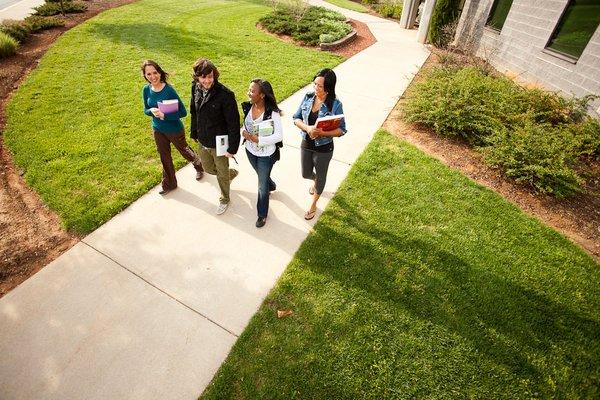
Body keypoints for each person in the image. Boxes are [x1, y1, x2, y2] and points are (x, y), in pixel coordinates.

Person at [141, 60, 204, 195]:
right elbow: (145, 109)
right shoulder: (146, 90)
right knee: (164, 157)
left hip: (174, 129)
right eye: (149, 74)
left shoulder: (169, 90)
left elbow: (182, 112)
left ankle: (199, 165)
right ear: (145, 75)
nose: (153, 77)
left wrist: (165, 115)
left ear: (160, 72)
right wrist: (151, 111)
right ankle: (170, 183)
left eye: (155, 73)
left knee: (185, 151)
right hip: (157, 129)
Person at [292, 68, 346, 220]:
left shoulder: (335, 105)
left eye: (320, 86)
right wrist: (307, 128)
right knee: (305, 173)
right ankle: (315, 181)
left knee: (321, 177)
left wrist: (322, 133)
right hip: (306, 143)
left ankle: (313, 204)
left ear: (328, 87)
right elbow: (296, 118)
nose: (316, 88)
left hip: (324, 148)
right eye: (315, 84)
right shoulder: (308, 97)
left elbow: (342, 129)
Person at [190, 58, 241, 215]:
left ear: (215, 75)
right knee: (208, 169)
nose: (207, 80)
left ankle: (225, 198)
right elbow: (194, 110)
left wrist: (232, 148)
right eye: (203, 77)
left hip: (220, 142)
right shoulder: (195, 88)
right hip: (203, 139)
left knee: (221, 172)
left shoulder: (225, 95)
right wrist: (194, 132)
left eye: (210, 76)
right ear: (197, 77)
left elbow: (233, 123)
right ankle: (229, 173)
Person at [241, 79, 283, 228]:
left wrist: (258, 139)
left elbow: (279, 136)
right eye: (249, 89)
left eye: (252, 91)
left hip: (266, 154)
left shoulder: (273, 113)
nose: (249, 93)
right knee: (262, 178)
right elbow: (244, 125)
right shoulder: (247, 107)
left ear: (262, 95)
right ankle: (270, 183)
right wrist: (243, 133)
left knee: (261, 186)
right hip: (250, 151)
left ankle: (262, 214)